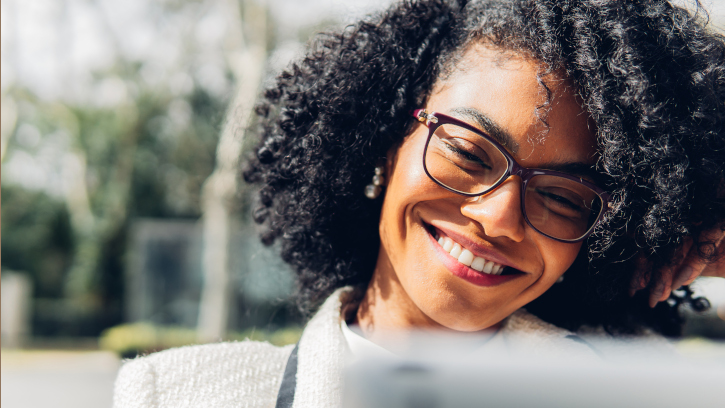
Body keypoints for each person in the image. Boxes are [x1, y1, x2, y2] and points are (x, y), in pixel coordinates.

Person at [113, 1, 725, 407]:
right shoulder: (176, 393)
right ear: (385, 145)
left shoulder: (636, 390)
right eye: (466, 152)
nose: (497, 215)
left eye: (564, 197)